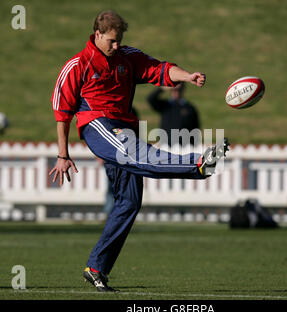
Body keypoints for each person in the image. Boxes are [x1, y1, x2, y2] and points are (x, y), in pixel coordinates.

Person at [49, 10, 229, 292]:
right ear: (97, 35)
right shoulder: (78, 65)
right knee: (135, 153)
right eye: (112, 41)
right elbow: (62, 112)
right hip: (97, 124)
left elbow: (159, 69)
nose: (117, 45)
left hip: (123, 128)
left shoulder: (127, 57)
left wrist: (188, 76)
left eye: (120, 40)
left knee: (129, 202)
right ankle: (198, 164)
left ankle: (96, 268)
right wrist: (63, 154)